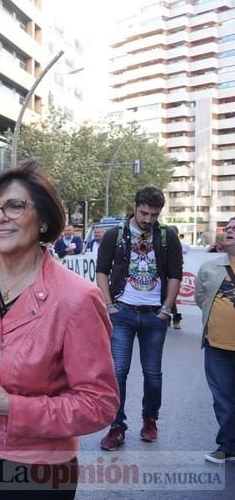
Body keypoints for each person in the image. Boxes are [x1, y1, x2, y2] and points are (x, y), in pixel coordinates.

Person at [0, 161, 118, 499]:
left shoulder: (78, 299)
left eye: (15, 205)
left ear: (43, 219)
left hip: (34, 464)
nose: (0, 216)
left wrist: (11, 407)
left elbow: (98, 404)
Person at [96, 186, 183, 451]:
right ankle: (117, 426)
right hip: (122, 312)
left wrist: (166, 309)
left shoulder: (168, 237)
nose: (147, 219)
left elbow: (175, 275)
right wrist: (109, 305)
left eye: (153, 215)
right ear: (134, 206)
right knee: (118, 372)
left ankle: (150, 420)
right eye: (144, 213)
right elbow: (101, 272)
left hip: (154, 316)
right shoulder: (115, 235)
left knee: (152, 373)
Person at [194, 216, 235, 464]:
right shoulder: (209, 267)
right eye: (228, 228)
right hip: (217, 345)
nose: (229, 231)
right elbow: (200, 297)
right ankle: (227, 445)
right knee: (223, 399)